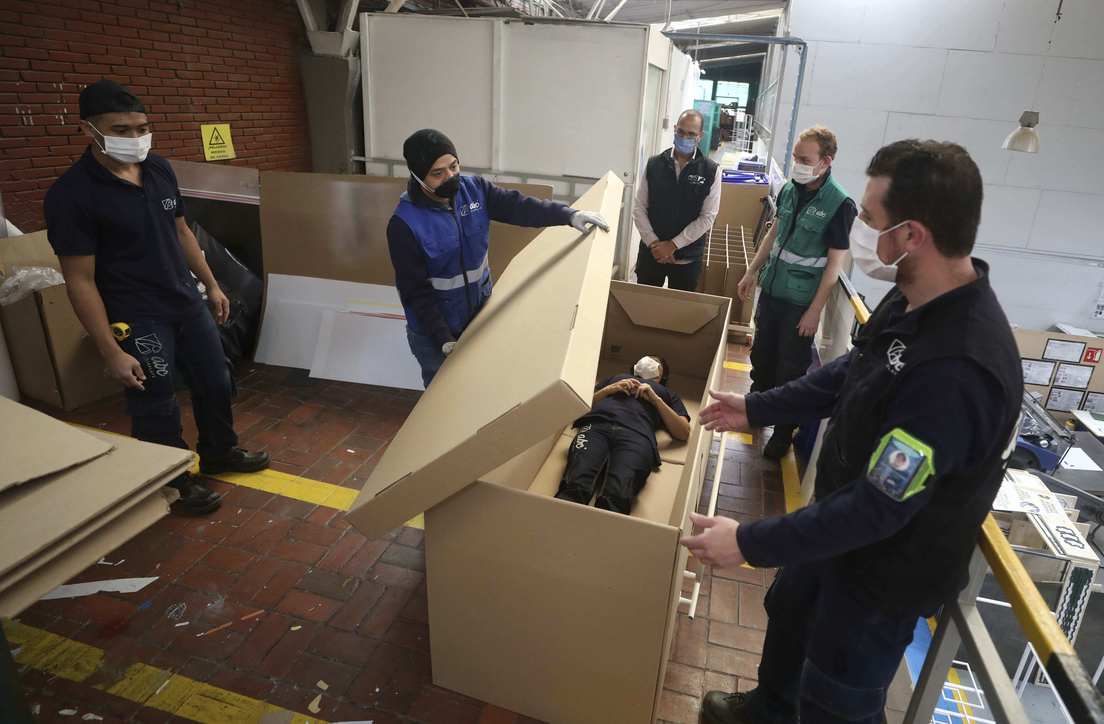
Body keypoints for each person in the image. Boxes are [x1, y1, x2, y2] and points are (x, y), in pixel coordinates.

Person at [682, 140, 1023, 724]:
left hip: (879, 574)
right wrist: (757, 408)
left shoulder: (958, 370)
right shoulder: (914, 299)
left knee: (835, 694)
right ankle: (767, 710)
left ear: (912, 236)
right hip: (833, 532)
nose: (860, 228)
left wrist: (748, 542)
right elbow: (850, 371)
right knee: (789, 617)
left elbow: (878, 509)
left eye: (869, 219)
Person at [44, 80, 270, 516]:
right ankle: (172, 480)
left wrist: (213, 284)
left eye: (142, 128)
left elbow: (182, 231)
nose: (135, 139)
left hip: (185, 300)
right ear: (87, 130)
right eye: (122, 130)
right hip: (137, 315)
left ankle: (220, 451)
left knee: (215, 379)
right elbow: (79, 280)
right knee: (156, 399)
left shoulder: (160, 169)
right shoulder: (72, 196)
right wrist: (111, 351)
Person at [387, 129, 608, 387]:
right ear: (417, 175)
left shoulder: (475, 190)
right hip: (435, 332)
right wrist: (443, 338)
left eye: (454, 166)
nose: (450, 176)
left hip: (478, 317)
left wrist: (569, 215)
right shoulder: (405, 224)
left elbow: (520, 207)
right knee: (445, 401)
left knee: (482, 387)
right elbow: (415, 291)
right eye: (438, 173)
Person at [737, 126, 857, 460]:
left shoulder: (839, 204)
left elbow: (834, 265)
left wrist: (814, 311)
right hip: (773, 290)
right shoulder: (791, 189)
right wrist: (751, 271)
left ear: (825, 162)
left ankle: (783, 433)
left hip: (800, 301)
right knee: (762, 356)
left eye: (805, 159)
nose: (797, 164)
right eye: (795, 157)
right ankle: (757, 409)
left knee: (790, 370)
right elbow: (773, 232)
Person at [555, 356, 690, 514]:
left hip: (637, 436)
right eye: (647, 357)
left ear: (662, 377)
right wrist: (609, 389)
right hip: (597, 425)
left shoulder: (667, 394)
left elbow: (683, 432)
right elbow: (579, 406)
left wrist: (655, 399)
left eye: (656, 362)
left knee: (618, 495)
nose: (650, 360)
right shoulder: (615, 378)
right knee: (574, 484)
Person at [632, 109, 722, 292]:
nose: (684, 137)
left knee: (680, 316)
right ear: (674, 129)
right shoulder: (654, 164)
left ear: (700, 136)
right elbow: (639, 208)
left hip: (687, 259)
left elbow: (708, 217)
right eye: (681, 131)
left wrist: (673, 245)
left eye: (691, 134)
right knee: (642, 309)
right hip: (651, 254)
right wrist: (655, 244)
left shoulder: (711, 171)